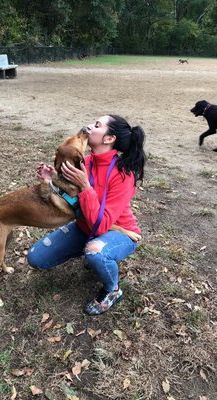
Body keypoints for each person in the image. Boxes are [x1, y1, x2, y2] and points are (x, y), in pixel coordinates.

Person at [27, 115, 146, 316]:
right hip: (84, 227)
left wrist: (85, 186)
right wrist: (52, 179)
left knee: (96, 252)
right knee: (36, 258)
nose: (89, 126)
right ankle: (88, 252)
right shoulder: (86, 162)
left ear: (109, 139)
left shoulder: (124, 174)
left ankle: (112, 290)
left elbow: (101, 224)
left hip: (120, 233)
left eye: (97, 125)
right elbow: (71, 198)